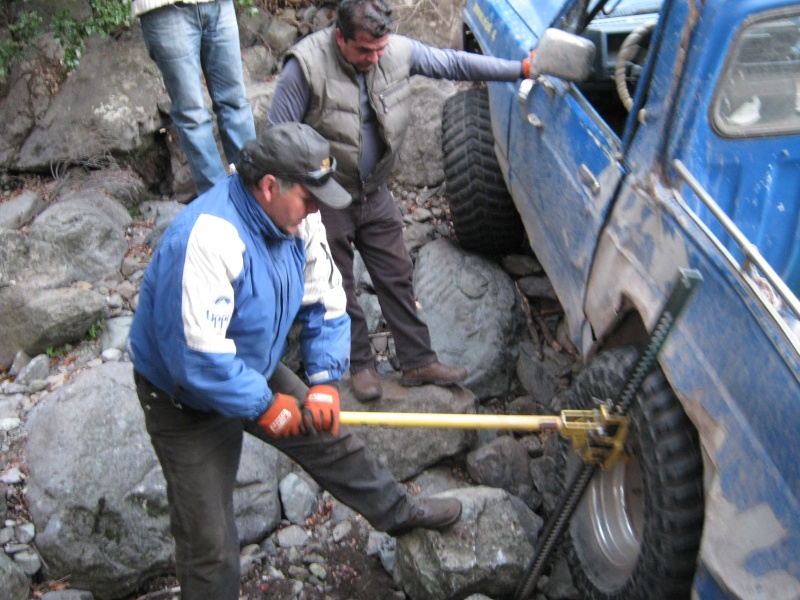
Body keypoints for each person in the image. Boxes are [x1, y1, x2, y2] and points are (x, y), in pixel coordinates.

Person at [126, 122, 463, 599]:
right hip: (184, 400)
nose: (316, 209)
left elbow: (327, 300)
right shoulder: (208, 238)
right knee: (211, 544)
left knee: (331, 439)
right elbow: (196, 357)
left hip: (252, 364)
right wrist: (263, 405)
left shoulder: (298, 218)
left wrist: (324, 380)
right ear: (269, 186)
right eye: (309, 197)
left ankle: (399, 513)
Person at [268, 0, 535, 401]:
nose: (375, 58)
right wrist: (288, 210)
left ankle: (417, 360)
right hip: (325, 195)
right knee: (336, 285)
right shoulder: (303, 67)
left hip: (373, 190)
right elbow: (278, 140)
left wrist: (519, 69)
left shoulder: (394, 51)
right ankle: (359, 365)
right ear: (339, 36)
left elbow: (452, 63)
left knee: (396, 273)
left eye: (380, 49)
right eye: (364, 51)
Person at [132, 0, 256, 195]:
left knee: (236, 104)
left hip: (219, 5)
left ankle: (256, 197)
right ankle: (219, 210)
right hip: (164, 9)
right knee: (192, 117)